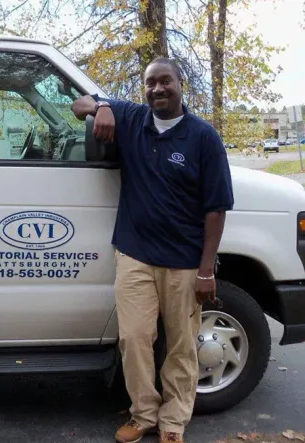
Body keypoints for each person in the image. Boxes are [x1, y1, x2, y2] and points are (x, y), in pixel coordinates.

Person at [72, 58, 234, 443]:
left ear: (181, 84)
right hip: (135, 254)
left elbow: (216, 208)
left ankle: (174, 420)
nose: (158, 89)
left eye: (166, 82)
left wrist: (206, 268)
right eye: (150, 84)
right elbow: (79, 104)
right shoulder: (132, 117)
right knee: (133, 337)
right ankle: (143, 413)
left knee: (181, 343)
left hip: (183, 259)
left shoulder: (203, 138)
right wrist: (105, 106)